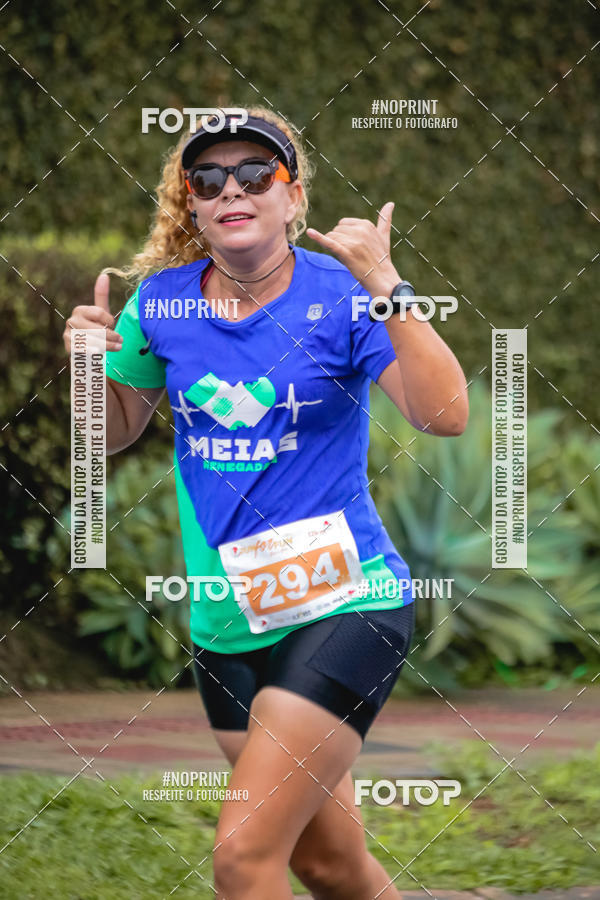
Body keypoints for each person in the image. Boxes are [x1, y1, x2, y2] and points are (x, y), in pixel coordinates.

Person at [63, 105, 468, 899]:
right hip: (226, 622)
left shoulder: (345, 295)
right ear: (191, 204)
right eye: (208, 179)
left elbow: (445, 414)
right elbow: (108, 434)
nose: (232, 189)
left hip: (346, 604)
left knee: (243, 859)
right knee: (327, 864)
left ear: (293, 197)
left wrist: (388, 287)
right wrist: (84, 366)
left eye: (256, 173)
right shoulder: (162, 303)